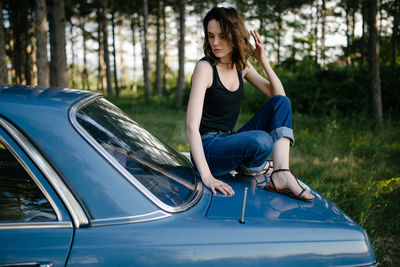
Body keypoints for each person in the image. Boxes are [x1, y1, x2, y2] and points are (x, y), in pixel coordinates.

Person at [186, 7, 314, 201]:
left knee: (281, 103)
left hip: (229, 140)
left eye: (222, 36)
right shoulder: (205, 68)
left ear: (235, 35)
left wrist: (263, 61)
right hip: (209, 148)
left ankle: (281, 172)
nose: (215, 43)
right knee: (262, 141)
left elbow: (279, 97)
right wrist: (207, 177)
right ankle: (252, 167)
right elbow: (191, 128)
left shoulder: (242, 66)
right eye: (211, 36)